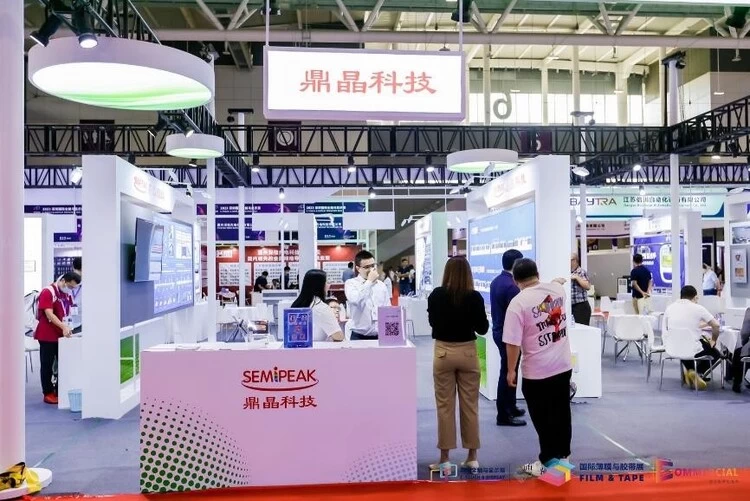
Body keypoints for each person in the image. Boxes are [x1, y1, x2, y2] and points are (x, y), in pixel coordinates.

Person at [503, 259, 573, 477]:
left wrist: (511, 370)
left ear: (515, 280)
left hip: (537, 372)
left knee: (543, 418)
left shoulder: (518, 304)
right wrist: (556, 280)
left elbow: (512, 342)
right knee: (562, 412)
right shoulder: (557, 291)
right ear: (538, 274)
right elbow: (557, 283)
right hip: (563, 366)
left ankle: (548, 462)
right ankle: (564, 457)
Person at [427, 256, 489, 470]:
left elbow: (432, 323)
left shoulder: (436, 295)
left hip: (443, 352)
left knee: (444, 407)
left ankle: (444, 459)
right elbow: (482, 329)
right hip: (468, 353)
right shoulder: (474, 297)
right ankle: (472, 456)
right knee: (470, 406)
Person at [489, 249, 526, 427]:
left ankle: (510, 406)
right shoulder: (512, 286)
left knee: (510, 369)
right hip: (508, 335)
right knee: (508, 371)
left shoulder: (497, 281)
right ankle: (503, 414)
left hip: (499, 330)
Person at [34, 271, 82, 404]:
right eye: (70, 286)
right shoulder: (48, 292)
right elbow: (49, 314)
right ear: (63, 281)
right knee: (47, 364)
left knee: (63, 363)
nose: (71, 289)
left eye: (74, 288)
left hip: (61, 334)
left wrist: (69, 327)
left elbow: (69, 312)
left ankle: (59, 390)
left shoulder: (66, 294)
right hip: (47, 334)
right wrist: (63, 326)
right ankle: (48, 393)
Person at [663, 285, 723, 390]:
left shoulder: (670, 308)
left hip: (672, 346)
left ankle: (690, 373)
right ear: (695, 297)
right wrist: (713, 340)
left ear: (681, 296)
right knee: (715, 353)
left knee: (686, 346)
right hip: (691, 348)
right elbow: (716, 325)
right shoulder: (698, 308)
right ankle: (697, 373)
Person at [344, 250, 390, 340]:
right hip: (359, 336)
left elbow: (387, 308)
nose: (371, 270)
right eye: (367, 267)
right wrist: (369, 281)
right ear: (358, 269)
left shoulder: (381, 285)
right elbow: (355, 300)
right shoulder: (351, 283)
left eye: (373, 266)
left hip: (380, 336)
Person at [291, 269, 344, 342]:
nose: (328, 285)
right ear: (320, 285)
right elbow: (338, 336)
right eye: (326, 282)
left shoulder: (297, 304)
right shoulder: (321, 308)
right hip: (317, 348)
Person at [570, 253, 592, 325]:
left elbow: (588, 286)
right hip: (571, 306)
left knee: (582, 328)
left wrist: (577, 277)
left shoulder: (581, 272)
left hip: (581, 306)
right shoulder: (568, 272)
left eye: (570, 260)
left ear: (575, 261)